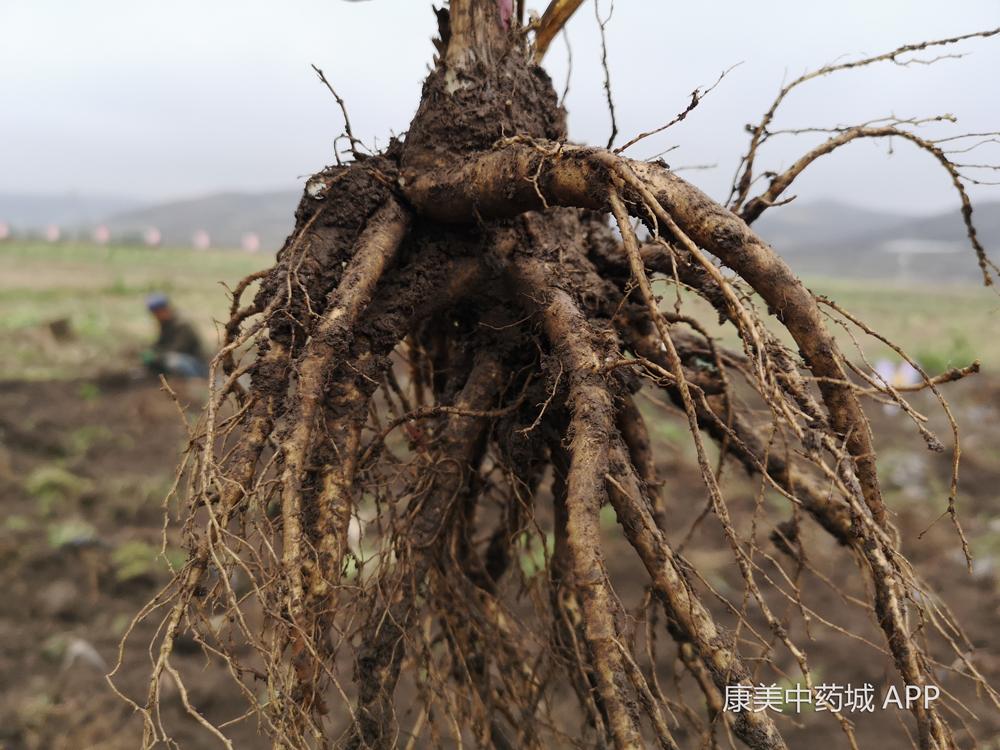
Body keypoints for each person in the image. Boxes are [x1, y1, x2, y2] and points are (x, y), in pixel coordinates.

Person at [142, 293, 209, 378]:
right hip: (182, 357)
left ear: (164, 310)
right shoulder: (166, 323)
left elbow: (178, 348)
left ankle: (195, 382)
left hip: (197, 364)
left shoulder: (182, 323)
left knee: (173, 361)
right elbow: (161, 342)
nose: (155, 317)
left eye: (156, 313)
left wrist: (157, 356)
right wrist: (151, 350)